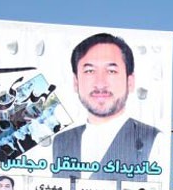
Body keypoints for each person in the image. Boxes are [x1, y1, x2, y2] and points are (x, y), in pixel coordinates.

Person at [52, 32, 159, 181]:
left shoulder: (154, 140)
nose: (100, 84)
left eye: (111, 71)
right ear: (76, 82)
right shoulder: (60, 141)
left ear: (130, 82)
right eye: (89, 71)